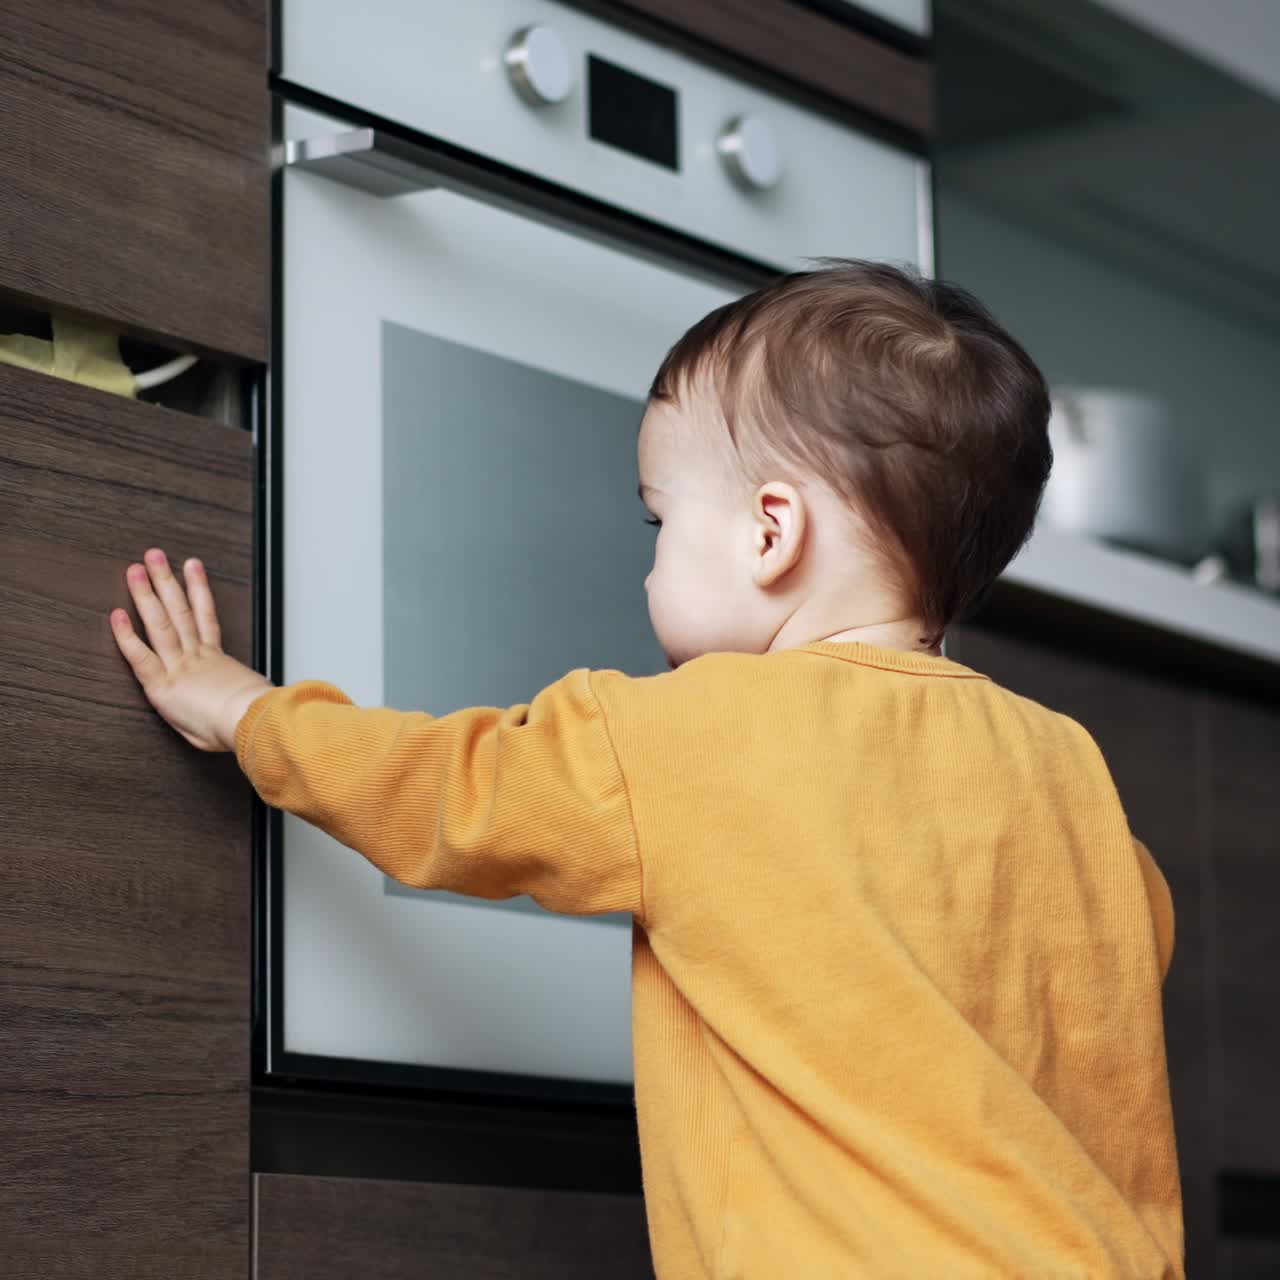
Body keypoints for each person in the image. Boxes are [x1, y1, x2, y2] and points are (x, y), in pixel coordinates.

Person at [109, 260, 1184, 1278]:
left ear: (770, 532)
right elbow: (1130, 937)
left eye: (658, 519)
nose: (649, 559)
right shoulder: (1064, 765)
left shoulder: (694, 730)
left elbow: (445, 787)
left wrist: (247, 711)